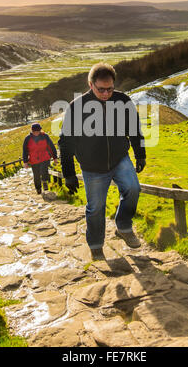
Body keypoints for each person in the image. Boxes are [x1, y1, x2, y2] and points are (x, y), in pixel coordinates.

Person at [58, 63, 146, 261]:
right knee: (96, 207)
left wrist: (140, 153)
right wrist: (69, 174)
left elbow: (134, 128)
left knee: (133, 189)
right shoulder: (77, 107)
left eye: (110, 89)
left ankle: (123, 226)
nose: (106, 93)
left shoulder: (123, 101)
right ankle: (96, 245)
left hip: (120, 158)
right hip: (92, 167)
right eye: (101, 89)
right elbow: (66, 143)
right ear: (90, 84)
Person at [23, 123, 58, 194]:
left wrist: (55, 157)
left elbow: (51, 147)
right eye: (35, 131)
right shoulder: (27, 139)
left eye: (38, 131)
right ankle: (38, 189)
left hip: (44, 157)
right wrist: (25, 161)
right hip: (34, 160)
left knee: (44, 170)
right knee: (36, 175)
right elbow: (25, 150)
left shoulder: (45, 136)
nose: (36, 133)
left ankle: (45, 182)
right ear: (32, 131)